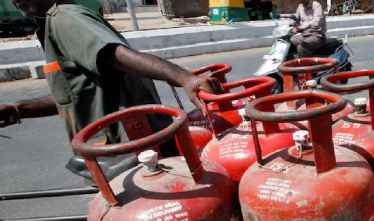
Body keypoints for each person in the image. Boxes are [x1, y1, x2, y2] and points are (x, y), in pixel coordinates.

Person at [0, 0, 222, 179]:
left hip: (127, 149)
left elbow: (114, 55)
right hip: (114, 150)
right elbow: (75, 94)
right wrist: (19, 109)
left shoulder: (64, 18)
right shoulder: (51, 24)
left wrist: (183, 77)